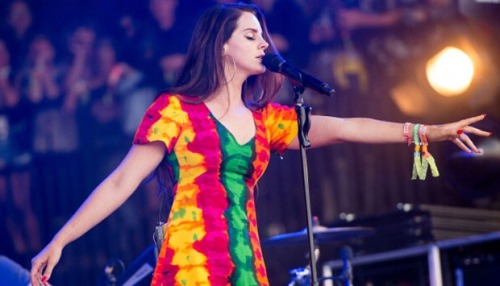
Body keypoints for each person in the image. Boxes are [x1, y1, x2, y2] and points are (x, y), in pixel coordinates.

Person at [30, 3, 491, 285]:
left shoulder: (267, 121)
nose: (263, 44)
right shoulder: (176, 111)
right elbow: (119, 184)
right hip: (191, 261)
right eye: (250, 36)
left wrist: (426, 133)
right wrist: (61, 240)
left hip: (245, 260)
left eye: (264, 36)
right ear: (222, 47)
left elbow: (347, 126)